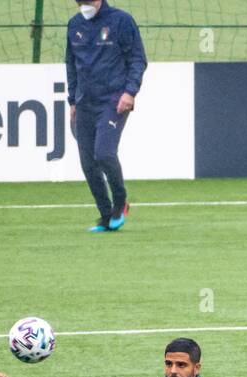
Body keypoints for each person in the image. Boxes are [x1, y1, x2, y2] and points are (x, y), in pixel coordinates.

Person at [66, 0, 147, 232]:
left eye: (87, 1)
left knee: (103, 153)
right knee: (87, 163)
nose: (84, 5)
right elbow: (70, 64)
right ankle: (105, 214)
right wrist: (72, 100)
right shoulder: (74, 24)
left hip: (114, 101)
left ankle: (120, 203)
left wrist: (130, 92)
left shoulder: (121, 21)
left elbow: (138, 59)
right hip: (84, 103)